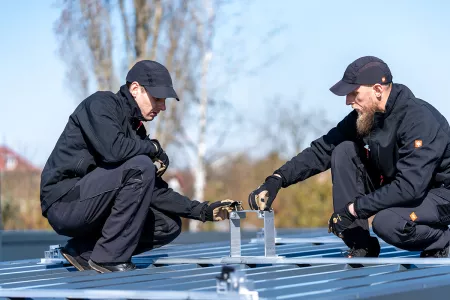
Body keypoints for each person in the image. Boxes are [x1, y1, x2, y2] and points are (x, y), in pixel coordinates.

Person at [40, 60, 237, 273]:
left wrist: (202, 211)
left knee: (168, 224)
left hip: (93, 202)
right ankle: (108, 259)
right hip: (64, 202)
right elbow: (114, 150)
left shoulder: (135, 131)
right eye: (157, 98)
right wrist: (152, 149)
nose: (162, 106)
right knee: (142, 166)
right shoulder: (100, 105)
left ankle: (84, 252)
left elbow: (153, 190)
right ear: (135, 89)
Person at [248, 56, 450, 258]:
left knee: (388, 223)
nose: (348, 101)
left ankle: (443, 241)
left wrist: (354, 209)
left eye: (354, 93)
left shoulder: (419, 120)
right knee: (343, 150)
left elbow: (410, 187)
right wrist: (277, 179)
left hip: (439, 195)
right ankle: (362, 244)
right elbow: (323, 149)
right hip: (404, 187)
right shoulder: (368, 116)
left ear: (378, 90)